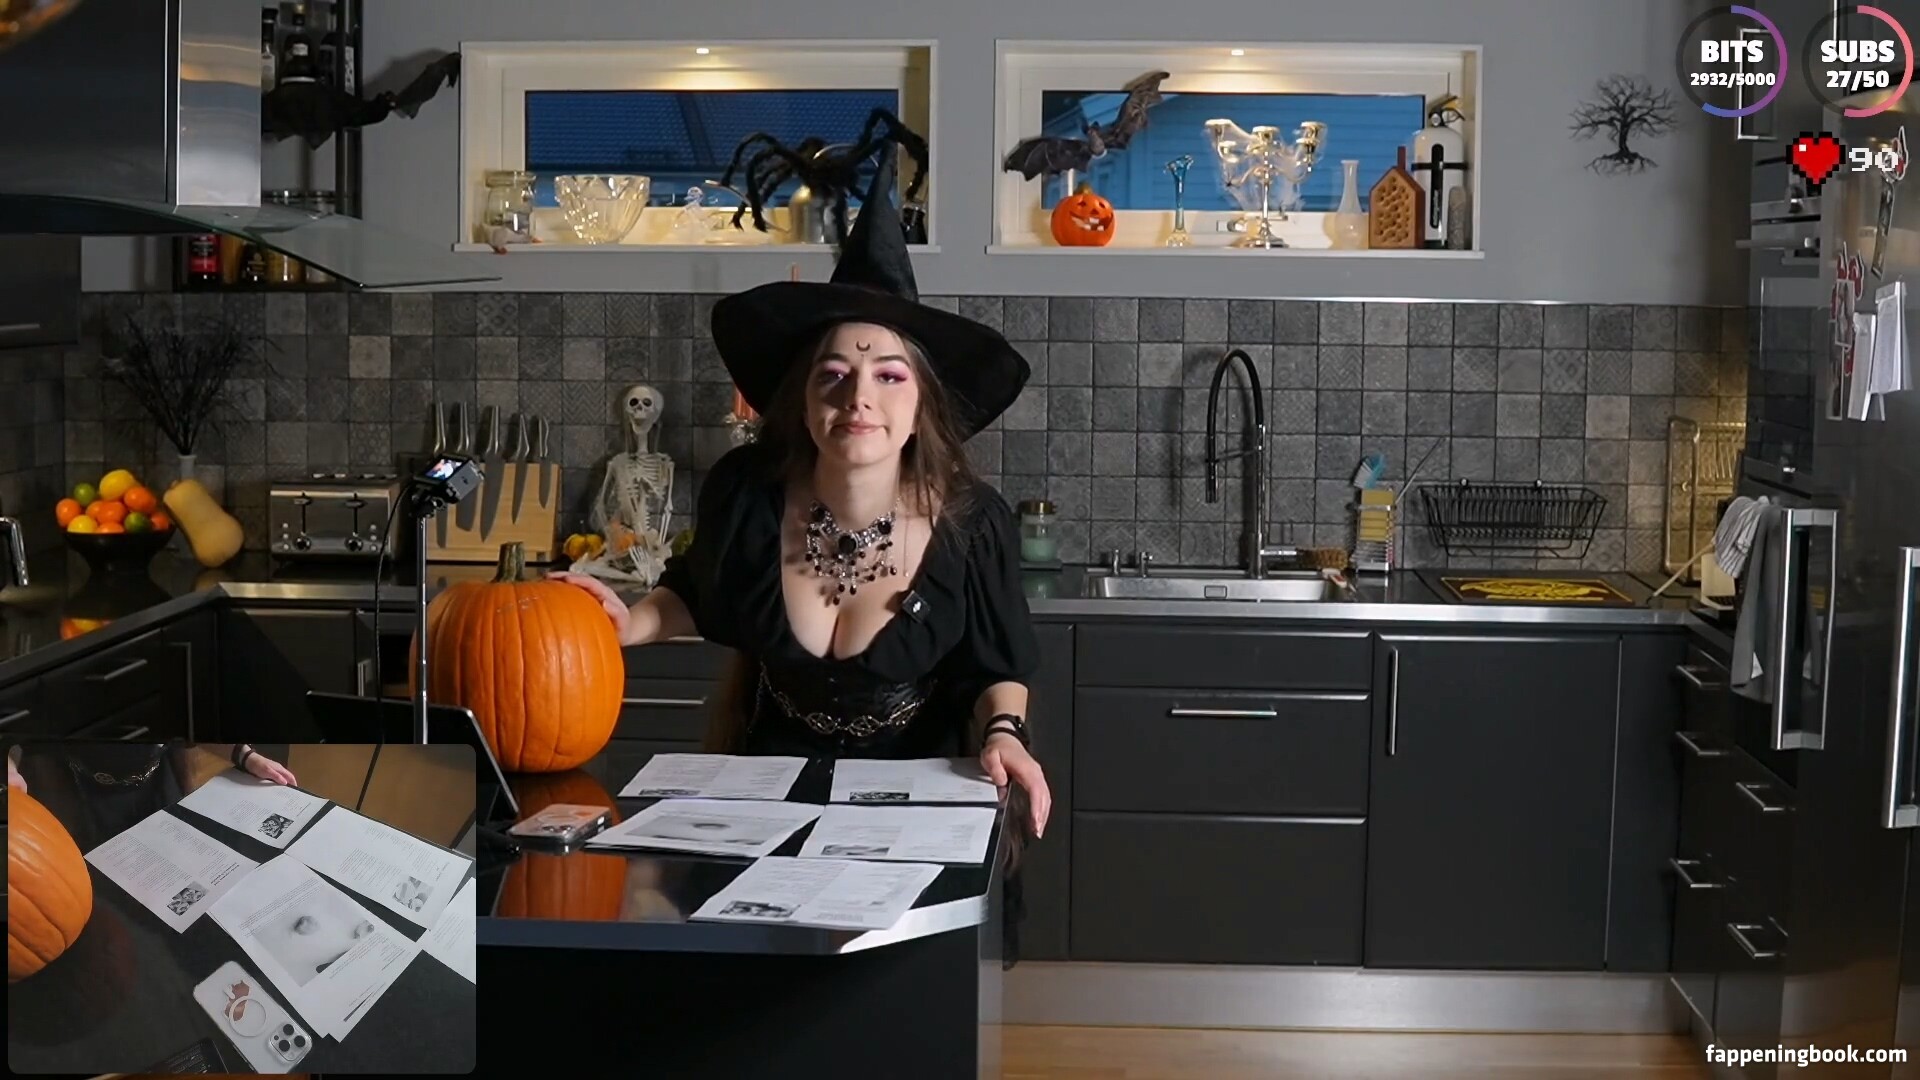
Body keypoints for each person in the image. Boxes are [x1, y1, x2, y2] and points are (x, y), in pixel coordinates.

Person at [552, 146, 1050, 953]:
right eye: (833, 375)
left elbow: (998, 665)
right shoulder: (748, 493)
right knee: (759, 982)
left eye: (889, 377)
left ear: (923, 405)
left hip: (915, 805)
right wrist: (626, 624)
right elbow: (698, 594)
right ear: (802, 399)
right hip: (762, 793)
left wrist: (1005, 737)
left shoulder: (972, 522)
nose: (859, 398)